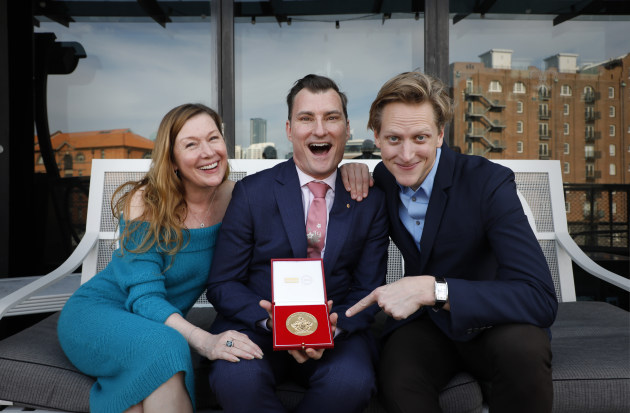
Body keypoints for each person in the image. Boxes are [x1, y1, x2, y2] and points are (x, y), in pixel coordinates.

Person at [342, 71, 558, 413]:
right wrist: (347, 169)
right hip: (428, 327)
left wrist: (435, 289)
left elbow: (540, 298)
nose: (407, 154)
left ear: (440, 135)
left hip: (497, 322)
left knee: (523, 351)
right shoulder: (381, 180)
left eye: (421, 137)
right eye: (394, 139)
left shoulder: (488, 182)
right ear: (377, 138)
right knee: (397, 377)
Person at [57, 103, 263, 413]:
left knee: (149, 379)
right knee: (168, 344)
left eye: (213, 138)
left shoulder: (240, 198)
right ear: (173, 160)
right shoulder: (146, 202)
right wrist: (206, 342)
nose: (208, 152)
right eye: (191, 144)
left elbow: (292, 190)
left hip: (157, 327)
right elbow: (143, 299)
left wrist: (355, 171)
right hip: (97, 312)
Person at [205, 74, 390, 413]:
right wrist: (270, 322)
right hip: (258, 327)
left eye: (331, 117)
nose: (320, 130)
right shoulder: (251, 194)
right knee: (236, 379)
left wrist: (335, 327)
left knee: (350, 383)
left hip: (337, 331)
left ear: (347, 129)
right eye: (307, 118)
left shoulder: (369, 199)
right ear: (290, 130)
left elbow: (369, 288)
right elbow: (222, 283)